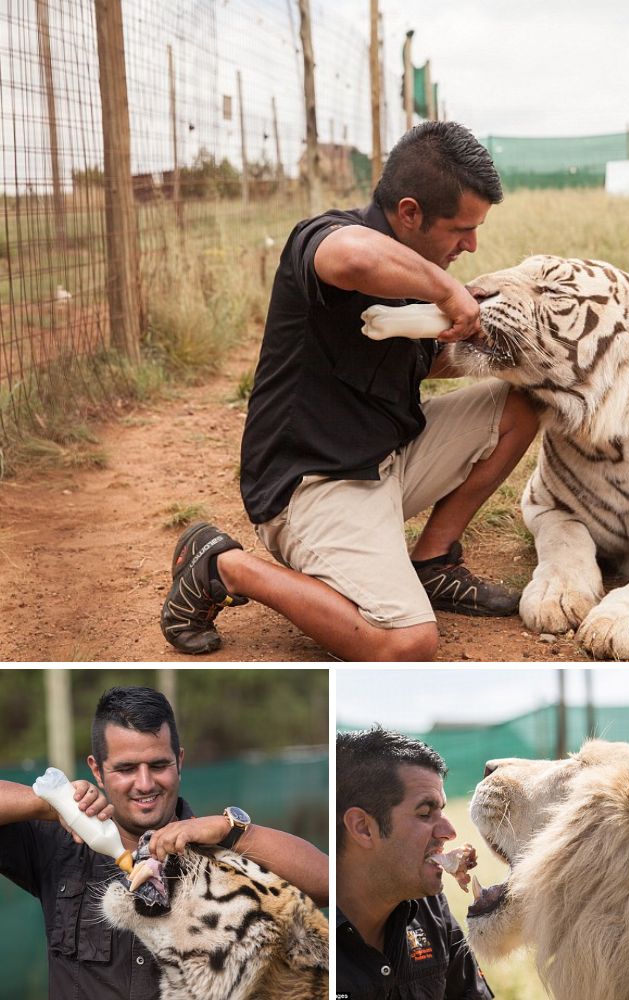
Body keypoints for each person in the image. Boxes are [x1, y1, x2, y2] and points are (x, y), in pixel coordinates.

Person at [160, 121, 539, 661]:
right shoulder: (325, 238)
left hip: (389, 460)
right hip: (315, 486)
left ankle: (433, 563)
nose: (471, 246)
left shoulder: (418, 270)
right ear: (410, 213)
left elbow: (421, 360)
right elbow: (356, 259)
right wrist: (448, 291)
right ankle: (223, 565)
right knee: (407, 644)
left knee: (520, 403)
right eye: (461, 229)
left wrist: (503, 344)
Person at [0, 686, 328, 999]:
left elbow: (328, 884)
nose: (144, 783)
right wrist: (48, 802)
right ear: (97, 771)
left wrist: (233, 830)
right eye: (126, 768)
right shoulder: (61, 844)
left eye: (158, 765)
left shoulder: (221, 853)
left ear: (179, 761)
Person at [336, 726, 493, 999]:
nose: (450, 832)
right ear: (363, 828)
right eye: (424, 813)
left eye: (441, 810)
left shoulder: (431, 909)